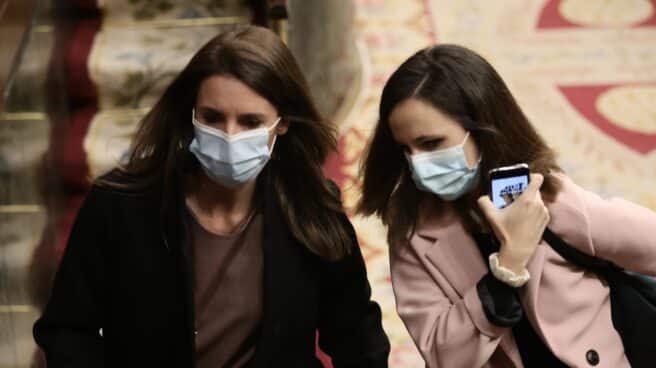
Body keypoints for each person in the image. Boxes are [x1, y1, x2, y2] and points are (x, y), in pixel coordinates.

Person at [33, 25, 390, 368]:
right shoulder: (120, 204)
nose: (230, 136)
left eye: (250, 122)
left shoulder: (311, 204)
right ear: (191, 115)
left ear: (283, 122)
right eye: (213, 117)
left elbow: (356, 334)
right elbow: (67, 330)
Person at [357, 44, 656, 368]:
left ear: (482, 130)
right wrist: (506, 269)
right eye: (406, 149)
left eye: (431, 144)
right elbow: (443, 355)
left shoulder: (549, 198)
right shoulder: (412, 232)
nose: (419, 163)